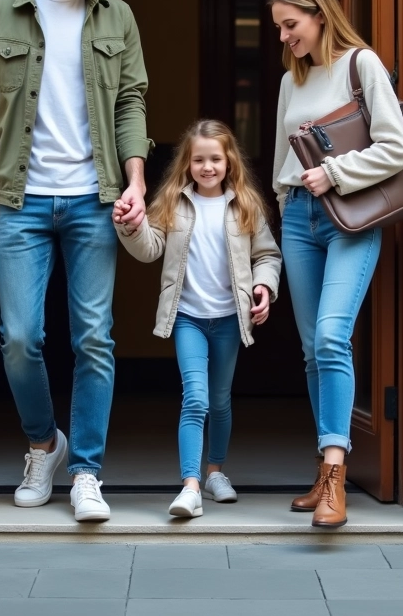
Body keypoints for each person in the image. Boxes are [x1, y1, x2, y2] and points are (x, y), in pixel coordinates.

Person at [0, 0, 151, 522]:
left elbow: (131, 103)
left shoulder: (116, 16)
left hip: (96, 200)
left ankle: (87, 471)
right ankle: (45, 444)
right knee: (19, 338)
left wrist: (136, 181)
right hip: (21, 200)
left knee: (94, 338)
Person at [267, 0, 403, 528]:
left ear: (319, 14)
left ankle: (335, 474)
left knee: (332, 335)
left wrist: (334, 172)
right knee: (311, 350)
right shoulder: (291, 81)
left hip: (349, 219)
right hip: (300, 220)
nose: (283, 37)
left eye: (290, 24)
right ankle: (323, 470)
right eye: (279, 27)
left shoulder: (361, 64)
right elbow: (285, 158)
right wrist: (284, 209)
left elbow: (396, 147)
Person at [113, 120, 282, 518]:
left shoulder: (246, 206)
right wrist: (128, 226)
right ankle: (190, 485)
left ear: (229, 162)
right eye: (199, 160)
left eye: (215, 159)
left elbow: (267, 256)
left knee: (220, 401)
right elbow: (149, 248)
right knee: (196, 399)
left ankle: (215, 472)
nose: (207, 167)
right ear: (187, 164)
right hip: (187, 317)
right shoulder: (173, 202)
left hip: (228, 319)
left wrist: (263, 287)